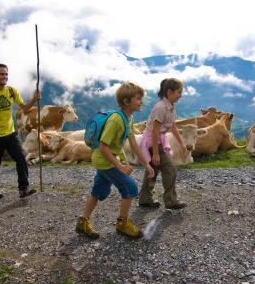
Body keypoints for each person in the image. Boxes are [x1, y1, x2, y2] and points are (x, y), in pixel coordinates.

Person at [76, 81, 155, 239]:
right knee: (130, 188)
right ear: (126, 102)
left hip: (106, 160)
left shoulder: (129, 118)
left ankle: (82, 222)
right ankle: (122, 224)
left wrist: (146, 163)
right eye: (138, 99)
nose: (142, 102)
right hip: (105, 161)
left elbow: (133, 144)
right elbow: (104, 146)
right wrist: (119, 166)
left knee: (99, 190)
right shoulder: (116, 120)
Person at [0, 63, 39, 199]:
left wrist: (34, 98)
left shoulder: (12, 91)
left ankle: (23, 189)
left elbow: (24, 108)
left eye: (6, 74)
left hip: (10, 133)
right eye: (1, 74)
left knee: (21, 158)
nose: (5, 77)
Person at [138, 78, 188, 210]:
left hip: (158, 139)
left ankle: (144, 198)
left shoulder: (171, 107)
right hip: (153, 141)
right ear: (169, 92)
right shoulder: (160, 108)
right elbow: (154, 131)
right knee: (170, 169)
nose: (180, 95)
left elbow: (173, 127)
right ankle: (170, 201)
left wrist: (182, 144)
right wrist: (155, 152)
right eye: (178, 92)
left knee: (153, 170)